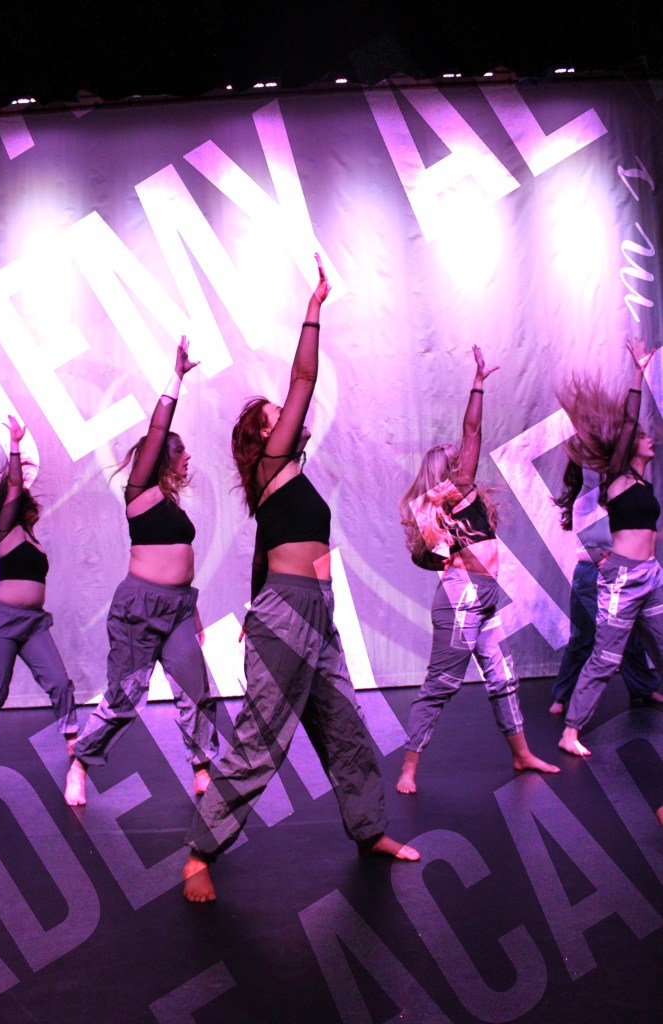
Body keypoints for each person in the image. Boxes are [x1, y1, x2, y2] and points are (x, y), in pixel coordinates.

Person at [183, 255, 418, 902]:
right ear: (261, 437)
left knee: (347, 729)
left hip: (315, 611)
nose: (284, 414)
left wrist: (256, 611)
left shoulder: (292, 481)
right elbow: (305, 378)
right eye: (272, 415)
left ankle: (368, 830)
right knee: (261, 740)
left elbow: (266, 553)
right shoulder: (271, 465)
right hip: (290, 613)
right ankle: (199, 854)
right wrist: (314, 307)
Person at [396, 346, 559, 794]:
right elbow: (473, 431)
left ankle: (522, 754)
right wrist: (478, 385)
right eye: (455, 457)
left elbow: (469, 435)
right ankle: (408, 769)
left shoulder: (460, 496)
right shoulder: (450, 493)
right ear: (446, 470)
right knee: (441, 685)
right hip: (461, 599)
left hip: (484, 597)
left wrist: (480, 381)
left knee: (503, 677)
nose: (464, 456)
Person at [64, 337, 217, 804]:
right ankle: (81, 762)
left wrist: (192, 611)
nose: (188, 458)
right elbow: (158, 427)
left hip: (178, 608)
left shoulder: (169, 503)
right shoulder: (139, 493)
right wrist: (177, 378)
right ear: (162, 457)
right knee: (127, 697)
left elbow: (181, 567)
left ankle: (202, 768)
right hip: (139, 609)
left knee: (195, 687)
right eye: (181, 452)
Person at [558, 338, 663, 756]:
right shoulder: (617, 479)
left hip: (652, 574)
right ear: (628, 444)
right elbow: (630, 419)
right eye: (642, 437)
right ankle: (570, 732)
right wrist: (639, 371)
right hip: (623, 579)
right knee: (605, 657)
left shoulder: (642, 483)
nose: (650, 440)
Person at [0, 416, 78, 765]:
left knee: (59, 681)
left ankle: (72, 738)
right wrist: (15, 444)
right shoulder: (6, 531)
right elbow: (14, 484)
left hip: (33, 623)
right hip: (4, 622)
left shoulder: (32, 539)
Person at [550, 458, 663, 715]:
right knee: (583, 639)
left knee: (630, 638)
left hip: (616, 574)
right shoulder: (586, 499)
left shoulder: (618, 498)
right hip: (589, 577)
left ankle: (643, 688)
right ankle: (561, 695)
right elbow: (592, 474)